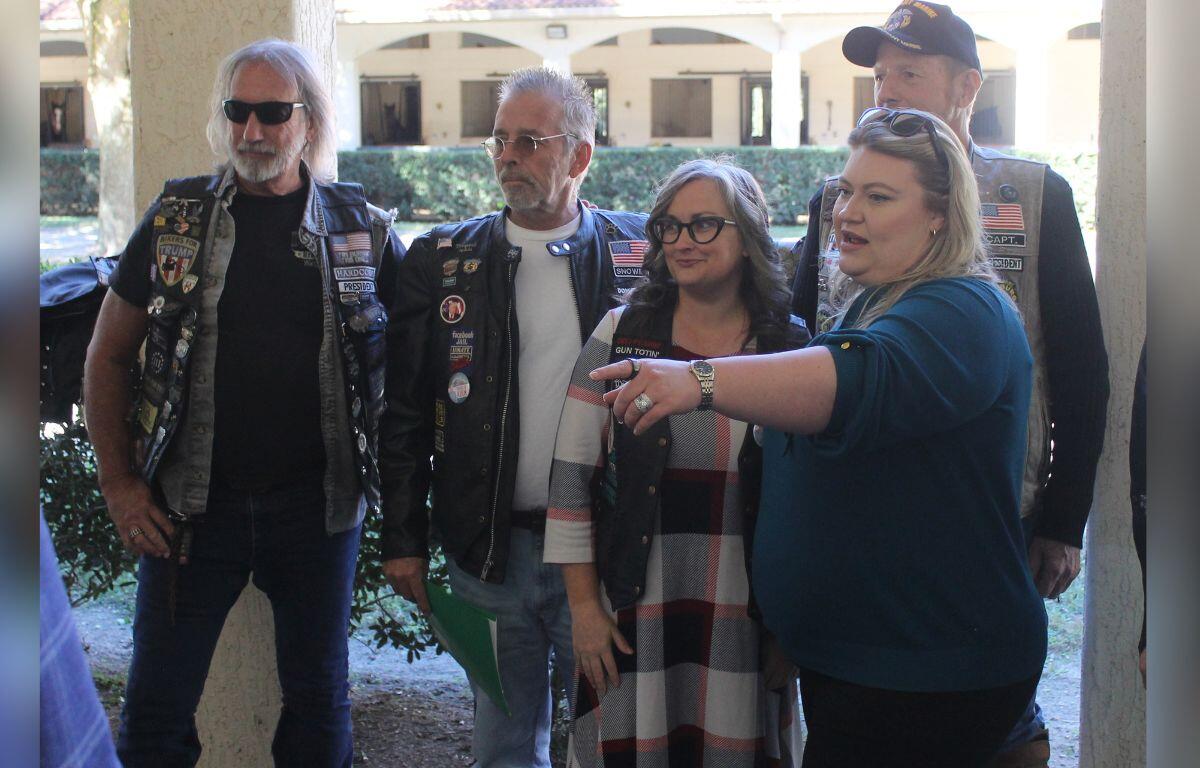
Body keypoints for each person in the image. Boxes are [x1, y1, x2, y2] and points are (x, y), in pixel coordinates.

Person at [594, 109, 1047, 767]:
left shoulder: (962, 306)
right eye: (847, 190)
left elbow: (859, 381)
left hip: (927, 677)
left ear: (940, 216)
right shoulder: (874, 302)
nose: (847, 213)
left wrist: (698, 380)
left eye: (879, 197)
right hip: (865, 670)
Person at [789, 4, 1109, 762]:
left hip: (997, 507)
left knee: (980, 714)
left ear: (966, 84)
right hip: (861, 515)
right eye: (878, 76)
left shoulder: (1034, 196)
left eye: (908, 71)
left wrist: (1065, 517)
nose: (886, 91)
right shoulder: (836, 199)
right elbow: (795, 341)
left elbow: (1081, 364)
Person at [83, 39, 403, 767]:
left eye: (271, 113)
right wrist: (119, 484)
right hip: (188, 513)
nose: (251, 132)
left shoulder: (363, 233)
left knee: (320, 710)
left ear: (310, 123)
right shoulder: (177, 220)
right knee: (155, 713)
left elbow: (414, 374)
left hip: (318, 513)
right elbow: (106, 355)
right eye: (237, 112)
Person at [378, 67, 649, 768]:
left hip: (600, 553)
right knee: (501, 746)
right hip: (487, 554)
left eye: (531, 142)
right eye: (500, 140)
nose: (507, 158)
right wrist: (403, 536)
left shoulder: (637, 256)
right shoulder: (442, 260)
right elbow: (403, 410)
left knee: (609, 739)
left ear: (580, 157)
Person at [544, 158, 808, 766]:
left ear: (750, 235)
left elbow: (815, 508)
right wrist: (584, 609)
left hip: (744, 618)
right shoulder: (620, 334)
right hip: (632, 612)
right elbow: (570, 478)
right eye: (669, 227)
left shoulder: (789, 349)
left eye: (705, 225)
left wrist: (790, 632)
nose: (683, 242)